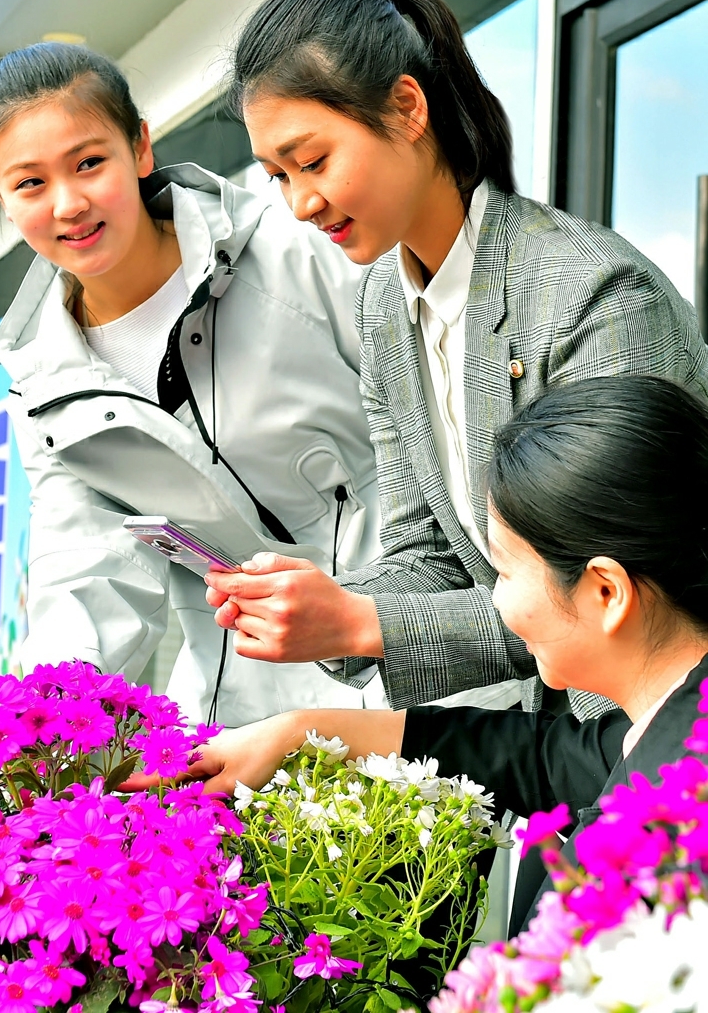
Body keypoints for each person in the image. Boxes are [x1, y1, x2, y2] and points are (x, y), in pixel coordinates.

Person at [203, 0, 708, 718]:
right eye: (277, 176)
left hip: (655, 724)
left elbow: (610, 594)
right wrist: (324, 606)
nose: (300, 204)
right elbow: (429, 551)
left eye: (312, 162)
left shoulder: (593, 293)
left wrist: (363, 623)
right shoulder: (384, 304)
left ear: (407, 108)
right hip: (549, 724)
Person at [148, 375, 708, 932]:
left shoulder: (663, 842)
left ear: (606, 592)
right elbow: (539, 757)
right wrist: (296, 734)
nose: (494, 599)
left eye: (504, 572)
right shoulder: (668, 729)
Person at [0, 41, 385, 727]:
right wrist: (43, 733)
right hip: (248, 714)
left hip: (415, 665)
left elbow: (433, 431)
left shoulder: (294, 249)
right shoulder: (43, 389)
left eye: (89, 163)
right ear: (4, 201)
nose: (69, 204)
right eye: (30, 184)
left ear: (140, 148)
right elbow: (84, 576)